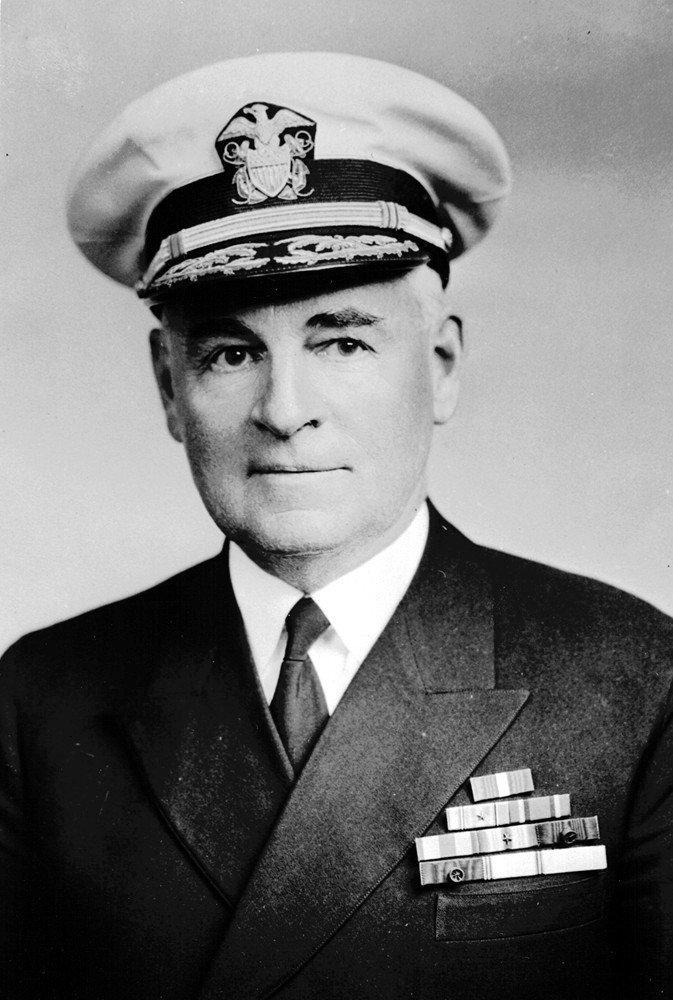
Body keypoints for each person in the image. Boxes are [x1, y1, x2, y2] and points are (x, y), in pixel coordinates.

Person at [1, 51, 671, 1000]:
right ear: (169, 388)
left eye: (343, 342)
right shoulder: (42, 698)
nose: (284, 410)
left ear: (440, 366)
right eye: (229, 353)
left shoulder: (632, 682)